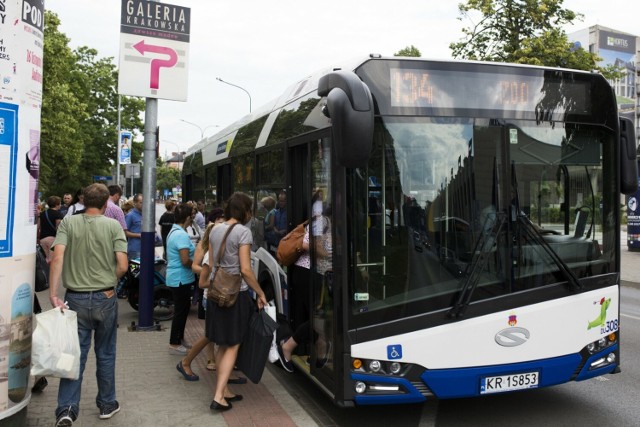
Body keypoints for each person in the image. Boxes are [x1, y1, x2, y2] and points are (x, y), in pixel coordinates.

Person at [48, 183, 128, 426]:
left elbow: (57, 257)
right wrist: (108, 281)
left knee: (74, 354)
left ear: (83, 202)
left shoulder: (69, 223)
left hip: (75, 298)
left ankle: (67, 409)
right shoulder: (113, 225)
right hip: (105, 298)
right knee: (105, 353)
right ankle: (106, 404)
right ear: (106, 204)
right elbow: (123, 266)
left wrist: (53, 294)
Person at [207, 192, 268, 411]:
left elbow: (213, 262)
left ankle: (224, 391)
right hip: (235, 295)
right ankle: (218, 397)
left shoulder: (215, 229)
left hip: (216, 293)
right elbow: (245, 269)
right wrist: (260, 293)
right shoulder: (243, 232)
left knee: (223, 343)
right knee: (233, 344)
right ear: (245, 211)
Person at [277, 191, 329, 372]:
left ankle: (318, 351)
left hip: (308, 272)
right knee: (318, 317)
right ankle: (288, 346)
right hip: (309, 273)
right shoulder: (321, 220)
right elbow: (309, 245)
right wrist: (333, 255)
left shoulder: (321, 220)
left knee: (317, 316)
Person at [166, 203, 196, 355]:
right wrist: (197, 265)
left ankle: (179, 338)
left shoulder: (175, 231)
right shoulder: (181, 235)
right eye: (192, 214)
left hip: (178, 277)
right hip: (180, 278)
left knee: (183, 310)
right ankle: (174, 343)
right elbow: (185, 260)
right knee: (180, 311)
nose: (194, 217)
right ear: (187, 217)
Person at [37, 195, 64, 262]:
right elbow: (58, 228)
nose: (60, 205)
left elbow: (38, 227)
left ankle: (45, 271)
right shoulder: (58, 214)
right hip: (53, 239)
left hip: (42, 239)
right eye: (60, 203)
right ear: (57, 204)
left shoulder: (43, 214)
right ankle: (50, 272)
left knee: (47, 258)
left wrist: (37, 238)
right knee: (52, 259)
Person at [125, 193, 143, 260]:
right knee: (135, 269)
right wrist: (139, 235)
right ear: (135, 203)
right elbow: (125, 232)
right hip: (135, 249)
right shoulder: (130, 215)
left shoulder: (145, 215)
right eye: (141, 202)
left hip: (145, 248)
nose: (143, 204)